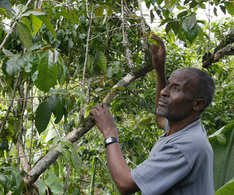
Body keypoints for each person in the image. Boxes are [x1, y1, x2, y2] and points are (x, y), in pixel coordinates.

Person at [90, 34, 216, 195]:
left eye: (176, 89)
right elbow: (161, 119)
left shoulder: (187, 145)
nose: (164, 91)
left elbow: (125, 184)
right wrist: (159, 69)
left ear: (198, 104)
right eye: (168, 84)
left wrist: (110, 132)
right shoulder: (186, 128)